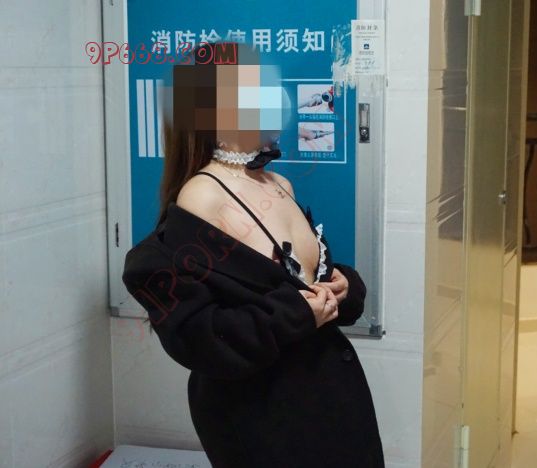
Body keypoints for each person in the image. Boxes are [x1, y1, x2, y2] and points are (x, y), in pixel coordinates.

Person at [121, 41, 385, 467]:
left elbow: (294, 279)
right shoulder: (202, 196)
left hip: (330, 399)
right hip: (265, 417)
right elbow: (200, 334)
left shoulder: (279, 184)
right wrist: (297, 313)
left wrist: (341, 286)